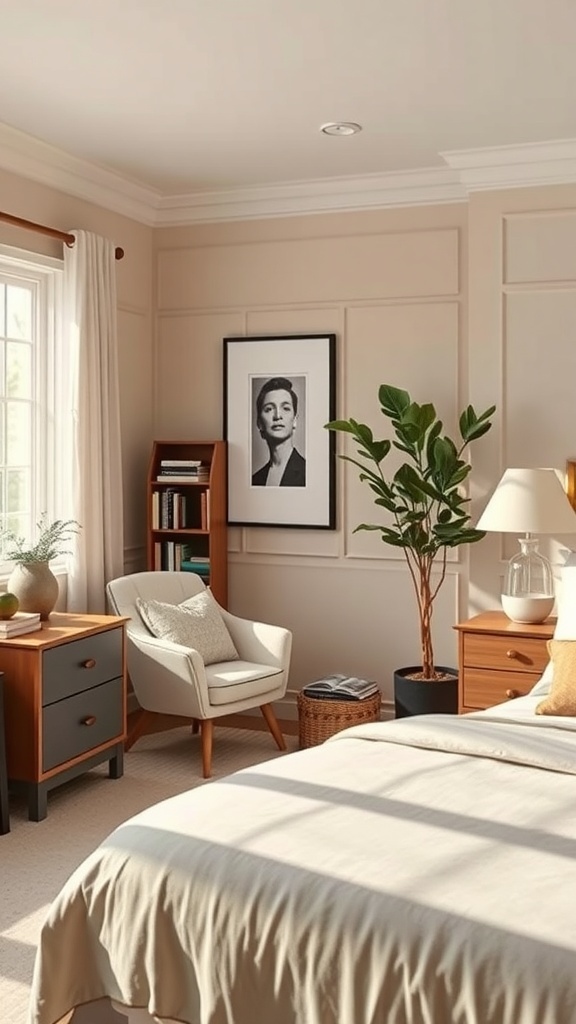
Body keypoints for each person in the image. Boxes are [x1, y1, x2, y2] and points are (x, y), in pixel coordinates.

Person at [252, 376, 306, 486]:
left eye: (285, 408)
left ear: (294, 420)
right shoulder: (255, 479)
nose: (277, 416)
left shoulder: (308, 472)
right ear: (260, 423)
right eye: (269, 409)